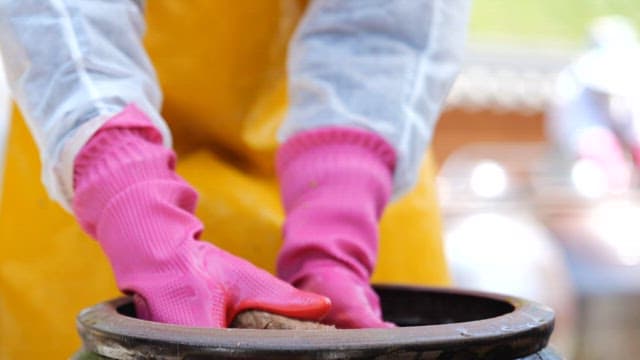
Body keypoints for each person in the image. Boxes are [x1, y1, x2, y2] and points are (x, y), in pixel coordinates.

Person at [0, 0, 470, 329]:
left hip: (362, 165)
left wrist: (336, 232)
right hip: (91, 141)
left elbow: (387, 24)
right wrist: (130, 196)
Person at [547, 16, 640, 193]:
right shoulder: (572, 86)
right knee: (590, 174)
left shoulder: (633, 85)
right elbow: (586, 136)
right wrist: (608, 162)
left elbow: (635, 127)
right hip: (580, 176)